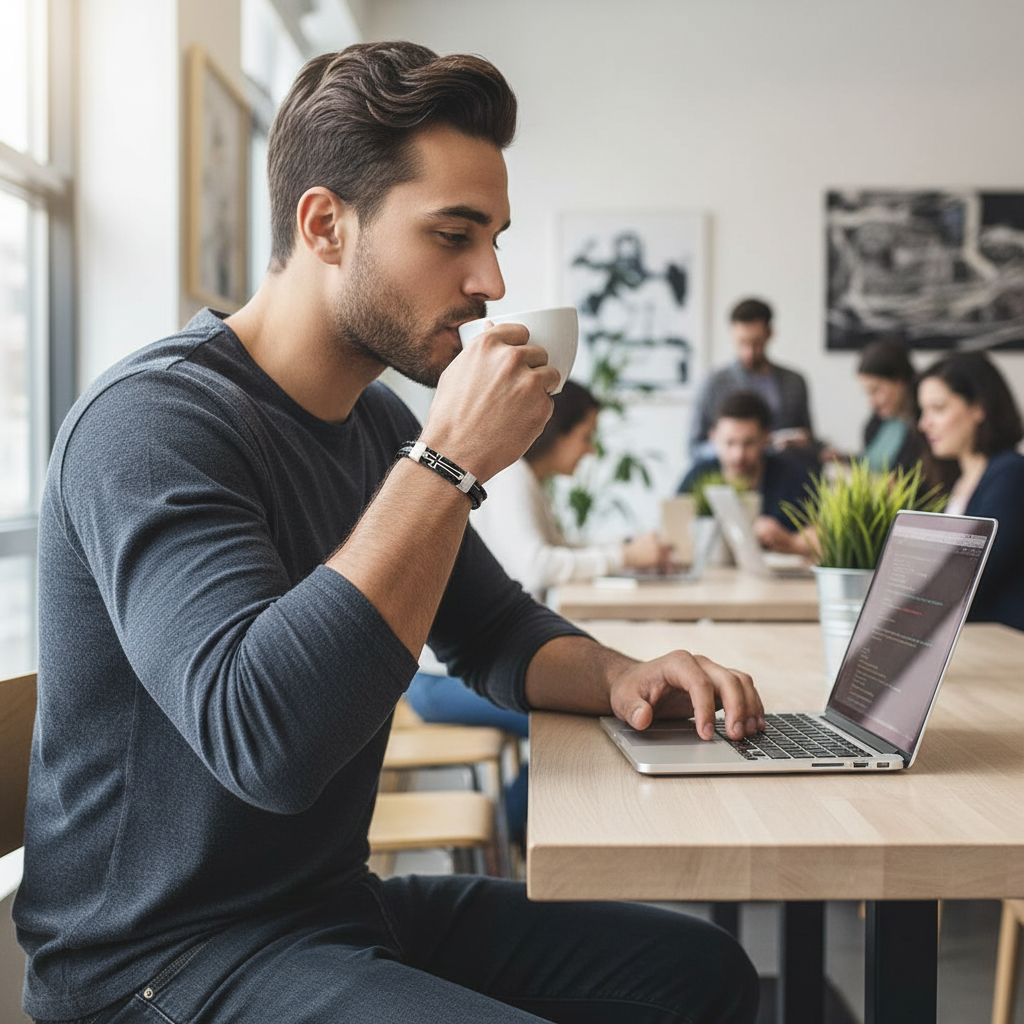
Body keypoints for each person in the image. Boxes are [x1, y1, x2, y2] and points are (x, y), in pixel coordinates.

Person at [15, 42, 763, 1024]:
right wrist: (448, 459)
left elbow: (490, 630)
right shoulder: (154, 425)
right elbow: (265, 740)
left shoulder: (378, 428)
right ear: (325, 224)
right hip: (157, 964)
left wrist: (621, 673)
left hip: (322, 908)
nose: (491, 279)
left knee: (702, 971)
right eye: (453, 235)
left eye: (494, 236)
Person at [407, 381, 673, 843]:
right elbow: (535, 565)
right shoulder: (512, 479)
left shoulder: (527, 480)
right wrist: (624, 558)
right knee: (568, 722)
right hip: (439, 682)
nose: (590, 451)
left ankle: (518, 831)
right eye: (586, 435)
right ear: (557, 431)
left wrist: (624, 549)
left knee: (579, 712)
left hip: (450, 674)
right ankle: (513, 833)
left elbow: (558, 548)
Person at [918, 351, 1024, 631]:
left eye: (938, 409)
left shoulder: (1012, 474)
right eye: (923, 411)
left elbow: (970, 575)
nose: (924, 424)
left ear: (978, 407)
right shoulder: (955, 482)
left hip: (1002, 646)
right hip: (966, 639)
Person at [678, 390, 813, 556]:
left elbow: (826, 537)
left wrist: (791, 541)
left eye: (749, 443)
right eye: (730, 443)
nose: (738, 454)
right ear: (714, 438)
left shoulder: (794, 477)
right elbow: (673, 528)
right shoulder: (699, 476)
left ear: (766, 438)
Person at [689, 298, 814, 461]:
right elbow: (694, 448)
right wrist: (729, 446)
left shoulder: (795, 382)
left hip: (785, 476)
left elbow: (810, 441)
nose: (749, 352)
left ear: (769, 334)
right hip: (732, 480)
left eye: (756, 343)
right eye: (742, 343)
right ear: (732, 333)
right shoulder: (713, 383)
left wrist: (801, 442)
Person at [855, 336, 955, 489]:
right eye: (867, 393)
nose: (871, 401)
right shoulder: (875, 423)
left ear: (900, 381)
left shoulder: (926, 429)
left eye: (875, 390)